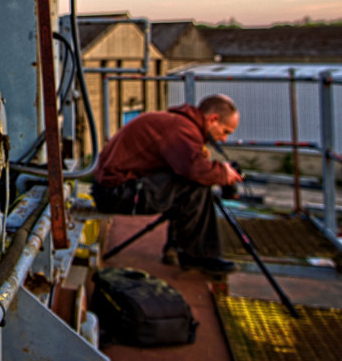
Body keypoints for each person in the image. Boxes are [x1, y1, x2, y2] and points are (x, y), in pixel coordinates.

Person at [92, 94, 244, 275]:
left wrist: (213, 170)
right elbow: (194, 170)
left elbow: (189, 166)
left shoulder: (178, 124)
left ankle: (179, 248)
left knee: (192, 181)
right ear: (213, 119)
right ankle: (198, 256)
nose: (224, 139)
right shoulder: (181, 128)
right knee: (194, 183)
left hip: (114, 189)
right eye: (225, 131)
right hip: (115, 194)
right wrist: (224, 174)